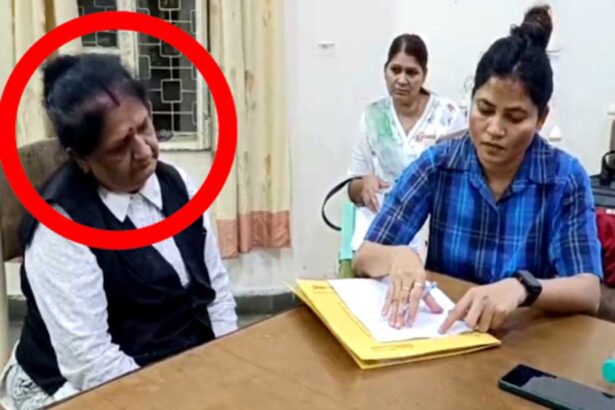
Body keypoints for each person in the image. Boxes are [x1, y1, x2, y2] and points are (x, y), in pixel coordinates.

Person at [0, 54, 238, 409]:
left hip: (169, 364)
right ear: (81, 158)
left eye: (144, 126)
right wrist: (179, 398)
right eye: (119, 147)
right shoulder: (61, 228)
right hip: (81, 383)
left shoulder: (177, 185)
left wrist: (228, 364)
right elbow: (91, 362)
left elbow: (215, 290)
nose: (144, 152)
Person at [353, 5, 602, 333]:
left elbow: (588, 291)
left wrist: (522, 287)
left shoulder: (564, 178)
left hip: (525, 340)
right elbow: (364, 257)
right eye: (484, 110)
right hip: (450, 334)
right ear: (470, 101)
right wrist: (399, 257)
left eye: (515, 117)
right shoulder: (439, 163)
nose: (494, 129)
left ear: (541, 119)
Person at [347, 33, 467, 215]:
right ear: (385, 71)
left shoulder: (447, 115)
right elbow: (352, 188)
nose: (402, 80)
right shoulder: (373, 116)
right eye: (395, 70)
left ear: (424, 75)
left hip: (433, 220)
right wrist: (364, 184)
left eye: (411, 73)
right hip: (382, 221)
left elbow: (462, 180)